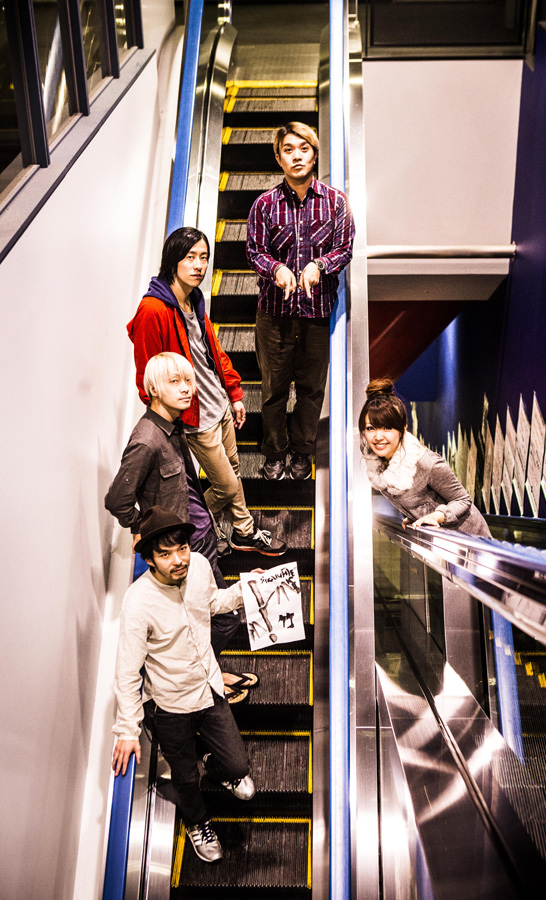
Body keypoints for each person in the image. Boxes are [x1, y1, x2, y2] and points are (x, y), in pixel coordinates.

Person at [112, 506, 262, 863]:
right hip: (170, 705)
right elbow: (128, 671)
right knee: (185, 777)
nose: (178, 559)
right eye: (165, 554)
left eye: (182, 548)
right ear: (149, 560)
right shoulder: (138, 602)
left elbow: (212, 602)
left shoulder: (199, 566)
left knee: (238, 767)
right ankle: (198, 823)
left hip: (209, 688)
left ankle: (219, 769)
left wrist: (243, 589)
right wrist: (127, 730)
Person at [105, 352, 257, 703]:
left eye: (188, 380)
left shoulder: (174, 427)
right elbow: (117, 500)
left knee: (212, 618)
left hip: (199, 539)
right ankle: (204, 679)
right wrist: (142, 527)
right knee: (224, 620)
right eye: (175, 382)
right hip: (183, 549)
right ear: (154, 388)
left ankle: (210, 671)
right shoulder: (146, 440)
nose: (187, 388)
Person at [128, 226, 286, 556]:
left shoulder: (194, 299)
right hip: (195, 417)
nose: (199, 265)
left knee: (233, 473)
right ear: (173, 260)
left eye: (204, 257)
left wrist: (234, 393)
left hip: (218, 404)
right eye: (190, 257)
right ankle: (197, 525)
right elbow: (148, 377)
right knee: (225, 486)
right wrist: (167, 422)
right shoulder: (153, 311)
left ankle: (243, 531)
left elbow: (212, 351)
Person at [246, 121, 355, 481]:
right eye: (288, 150)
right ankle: (275, 452)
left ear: (314, 153)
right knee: (273, 390)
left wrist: (319, 265)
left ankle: (302, 452)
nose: (296, 156)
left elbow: (344, 248)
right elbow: (254, 252)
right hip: (274, 315)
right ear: (279, 158)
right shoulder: (264, 205)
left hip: (317, 314)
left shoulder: (336, 202)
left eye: (303, 148)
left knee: (311, 390)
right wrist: (275, 268)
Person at [359, 378, 491, 537]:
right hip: (439, 539)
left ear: (403, 428)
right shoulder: (376, 463)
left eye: (387, 427)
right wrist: (414, 514)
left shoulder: (424, 462)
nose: (378, 436)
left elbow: (463, 500)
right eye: (370, 428)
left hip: (469, 537)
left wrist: (436, 516)